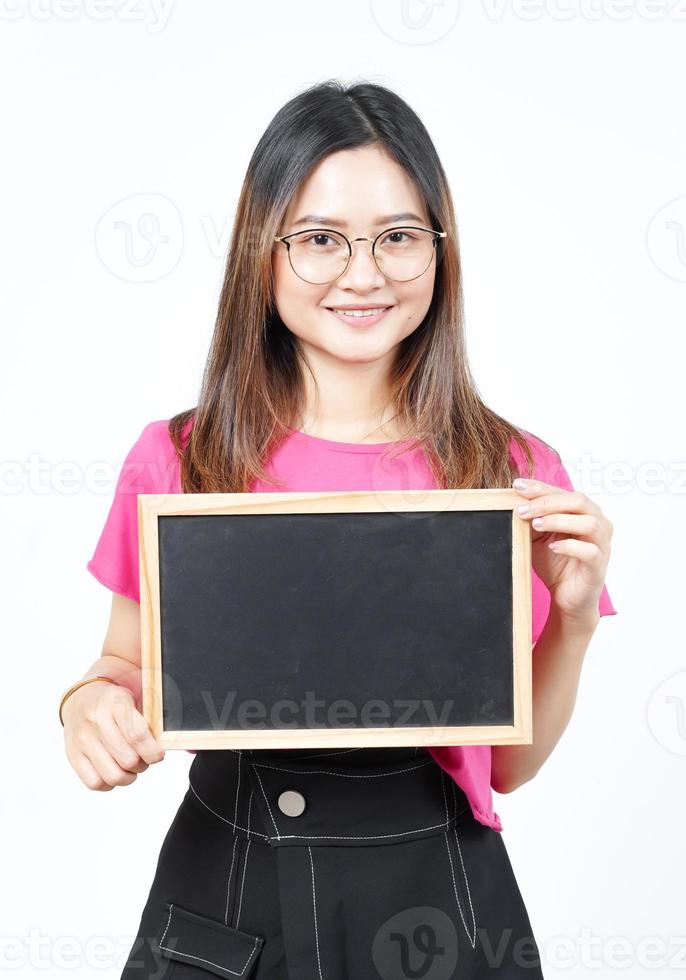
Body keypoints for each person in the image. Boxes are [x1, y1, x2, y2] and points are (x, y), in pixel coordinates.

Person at [61, 79, 617, 979]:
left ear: (440, 251)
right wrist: (88, 706)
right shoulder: (179, 455)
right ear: (262, 253)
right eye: (320, 239)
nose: (364, 273)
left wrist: (578, 616)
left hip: (436, 897)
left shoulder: (511, 470)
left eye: (399, 237)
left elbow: (507, 768)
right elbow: (123, 665)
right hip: (228, 892)